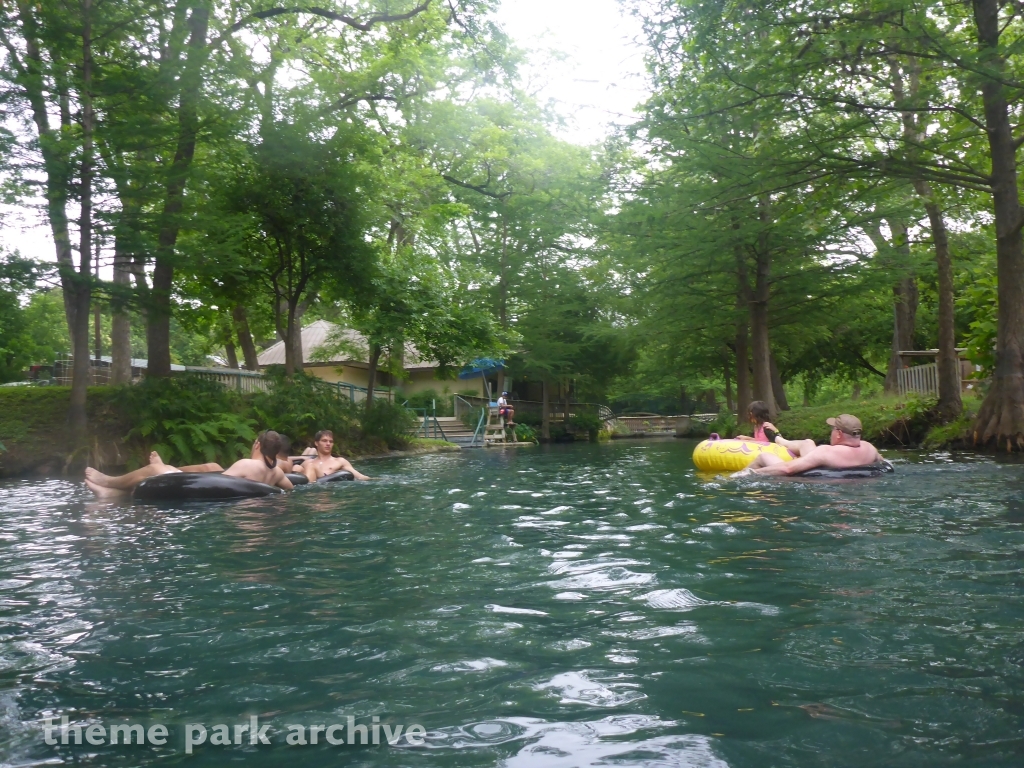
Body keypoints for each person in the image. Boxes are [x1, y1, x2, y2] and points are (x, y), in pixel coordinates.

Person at [85, 431, 294, 498]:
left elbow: (215, 482)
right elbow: (290, 488)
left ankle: (109, 481)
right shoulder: (275, 472)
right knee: (209, 465)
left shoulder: (246, 464)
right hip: (218, 495)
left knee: (155, 470)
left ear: (257, 444)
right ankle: (113, 495)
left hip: (198, 489)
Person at [733, 414, 882, 477]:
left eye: (832, 429)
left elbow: (788, 468)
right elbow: (884, 463)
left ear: (838, 434)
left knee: (763, 457)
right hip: (832, 469)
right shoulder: (870, 449)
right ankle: (780, 440)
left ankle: (779, 439)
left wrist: (747, 475)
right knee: (808, 443)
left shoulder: (826, 452)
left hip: (810, 476)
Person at [300, 430, 370, 481]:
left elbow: (359, 476)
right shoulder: (308, 462)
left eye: (331, 441)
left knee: (310, 466)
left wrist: (376, 480)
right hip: (312, 490)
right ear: (316, 443)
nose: (328, 444)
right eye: (324, 441)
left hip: (328, 489)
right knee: (301, 466)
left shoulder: (339, 461)